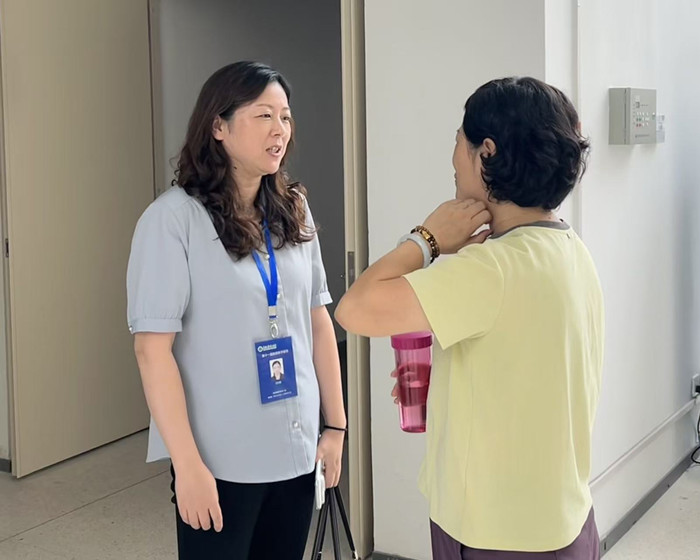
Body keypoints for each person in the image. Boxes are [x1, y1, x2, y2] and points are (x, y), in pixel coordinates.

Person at [336, 77, 604, 560]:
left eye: (459, 141)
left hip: (496, 534)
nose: (454, 158)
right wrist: (451, 383)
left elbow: (353, 309)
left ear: (487, 152)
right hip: (563, 519)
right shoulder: (569, 248)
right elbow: (525, 367)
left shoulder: (489, 269)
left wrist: (426, 239)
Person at [127, 61, 346, 560]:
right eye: (263, 115)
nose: (279, 130)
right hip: (220, 458)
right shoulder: (172, 220)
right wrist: (187, 466)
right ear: (218, 126)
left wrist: (335, 426)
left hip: (295, 447)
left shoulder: (293, 208)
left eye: (285, 117)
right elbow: (151, 351)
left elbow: (317, 319)